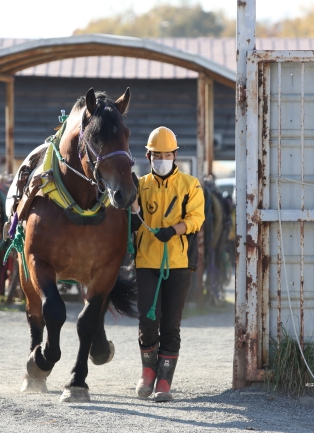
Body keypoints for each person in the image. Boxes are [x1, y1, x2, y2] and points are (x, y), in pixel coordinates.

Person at [130, 126, 205, 402]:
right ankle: (147, 373)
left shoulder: (191, 184)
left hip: (179, 264)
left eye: (167, 154)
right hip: (146, 262)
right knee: (148, 321)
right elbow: (129, 221)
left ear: (175, 155)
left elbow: (197, 218)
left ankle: (164, 380)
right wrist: (133, 211)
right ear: (148, 156)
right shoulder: (140, 185)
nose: (162, 159)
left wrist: (173, 230)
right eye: (156, 154)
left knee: (171, 324)